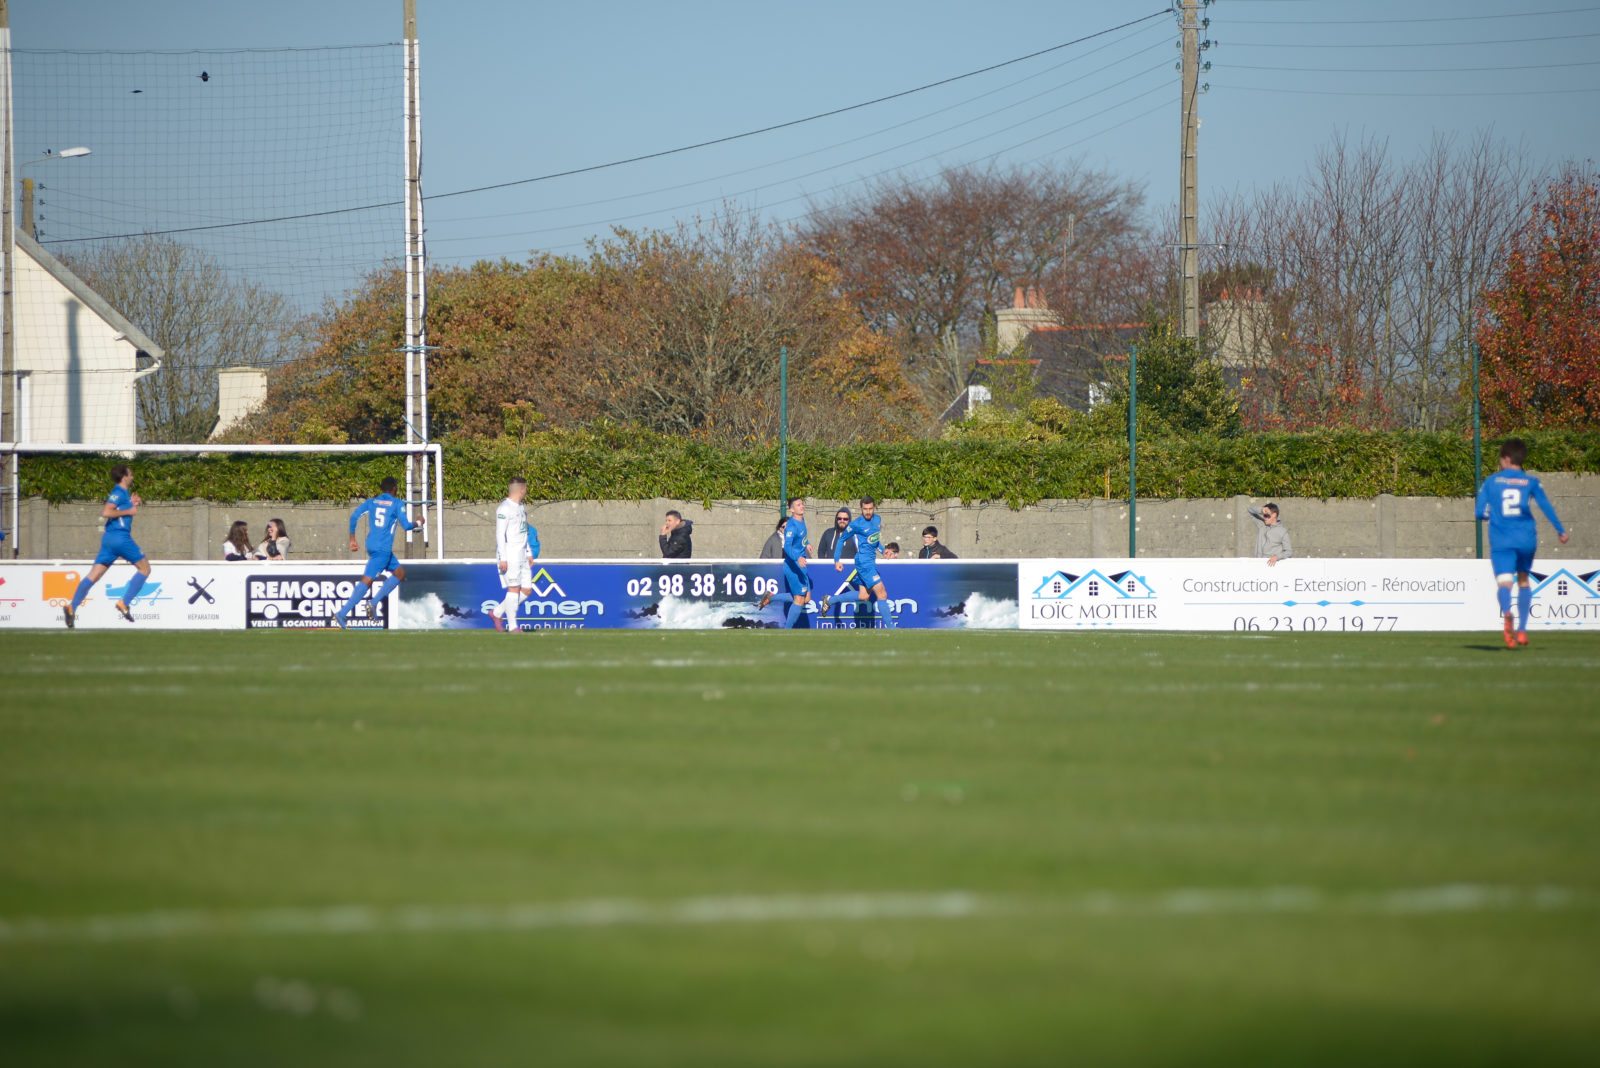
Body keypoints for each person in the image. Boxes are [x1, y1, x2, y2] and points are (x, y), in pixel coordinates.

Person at [1476, 438, 1570, 648]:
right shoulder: (1531, 482)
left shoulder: (1491, 482)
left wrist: (1492, 515)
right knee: (1524, 580)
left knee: (1504, 583)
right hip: (1526, 538)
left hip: (1501, 539)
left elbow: (1479, 511)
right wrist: (1560, 530)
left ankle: (1507, 613)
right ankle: (1522, 630)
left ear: (1506, 458)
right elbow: (1545, 505)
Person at [63, 463, 150, 627]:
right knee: (145, 568)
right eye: (130, 474)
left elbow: (119, 508)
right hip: (120, 538)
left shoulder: (123, 494)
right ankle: (124, 603)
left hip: (109, 539)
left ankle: (71, 607)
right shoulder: (118, 492)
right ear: (124, 477)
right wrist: (130, 511)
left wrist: (131, 503)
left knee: (94, 575)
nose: (132, 477)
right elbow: (106, 512)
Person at [335, 476, 423, 629]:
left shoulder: (372, 501)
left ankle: (373, 603)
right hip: (383, 548)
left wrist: (352, 539)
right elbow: (407, 526)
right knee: (367, 580)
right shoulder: (397, 504)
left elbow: (354, 516)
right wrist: (420, 522)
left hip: (373, 545)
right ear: (394, 488)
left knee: (400, 574)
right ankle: (343, 613)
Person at [824, 496, 896, 628]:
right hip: (864, 563)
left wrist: (883, 550)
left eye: (870, 509)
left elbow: (874, 540)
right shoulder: (856, 524)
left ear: (874, 508)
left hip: (870, 562)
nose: (868, 512)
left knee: (864, 596)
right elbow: (841, 540)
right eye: (865, 509)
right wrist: (836, 561)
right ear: (861, 509)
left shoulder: (877, 519)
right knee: (882, 594)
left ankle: (830, 600)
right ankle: (892, 629)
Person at [490, 477, 538, 633]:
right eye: (526, 489)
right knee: (514, 588)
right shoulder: (504, 508)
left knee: (527, 590)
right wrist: (503, 558)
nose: (526, 491)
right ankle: (512, 626)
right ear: (522, 490)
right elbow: (500, 534)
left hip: (522, 554)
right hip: (510, 554)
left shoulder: (521, 507)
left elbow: (523, 532)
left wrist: (528, 552)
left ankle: (497, 613)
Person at [756, 497, 813, 627]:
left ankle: (770, 597)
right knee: (799, 599)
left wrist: (807, 543)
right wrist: (798, 558)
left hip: (801, 565)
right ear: (792, 509)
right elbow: (787, 547)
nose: (802, 506)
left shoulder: (802, 520)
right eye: (798, 505)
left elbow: (802, 537)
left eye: (802, 504)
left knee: (806, 598)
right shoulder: (791, 526)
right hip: (794, 566)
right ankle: (787, 631)